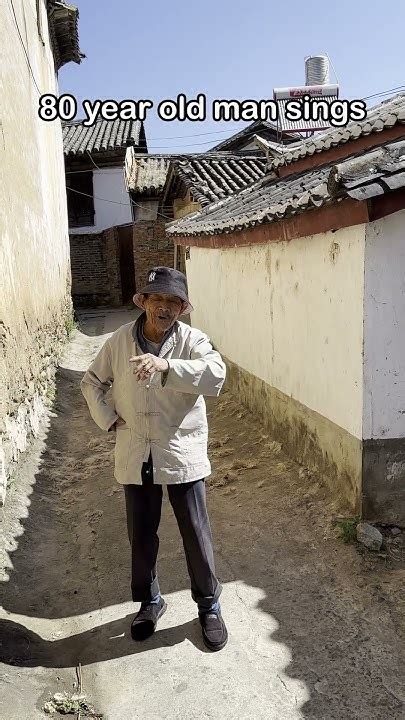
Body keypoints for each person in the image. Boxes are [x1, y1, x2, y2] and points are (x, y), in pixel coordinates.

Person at [80, 266, 228, 651]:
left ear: (182, 308)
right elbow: (91, 381)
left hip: (180, 450)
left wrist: (167, 366)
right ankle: (150, 601)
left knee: (195, 530)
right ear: (143, 301)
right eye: (157, 299)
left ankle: (209, 605)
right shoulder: (118, 342)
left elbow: (216, 375)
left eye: (173, 302)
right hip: (135, 448)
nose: (164, 308)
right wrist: (109, 418)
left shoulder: (192, 340)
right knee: (140, 533)